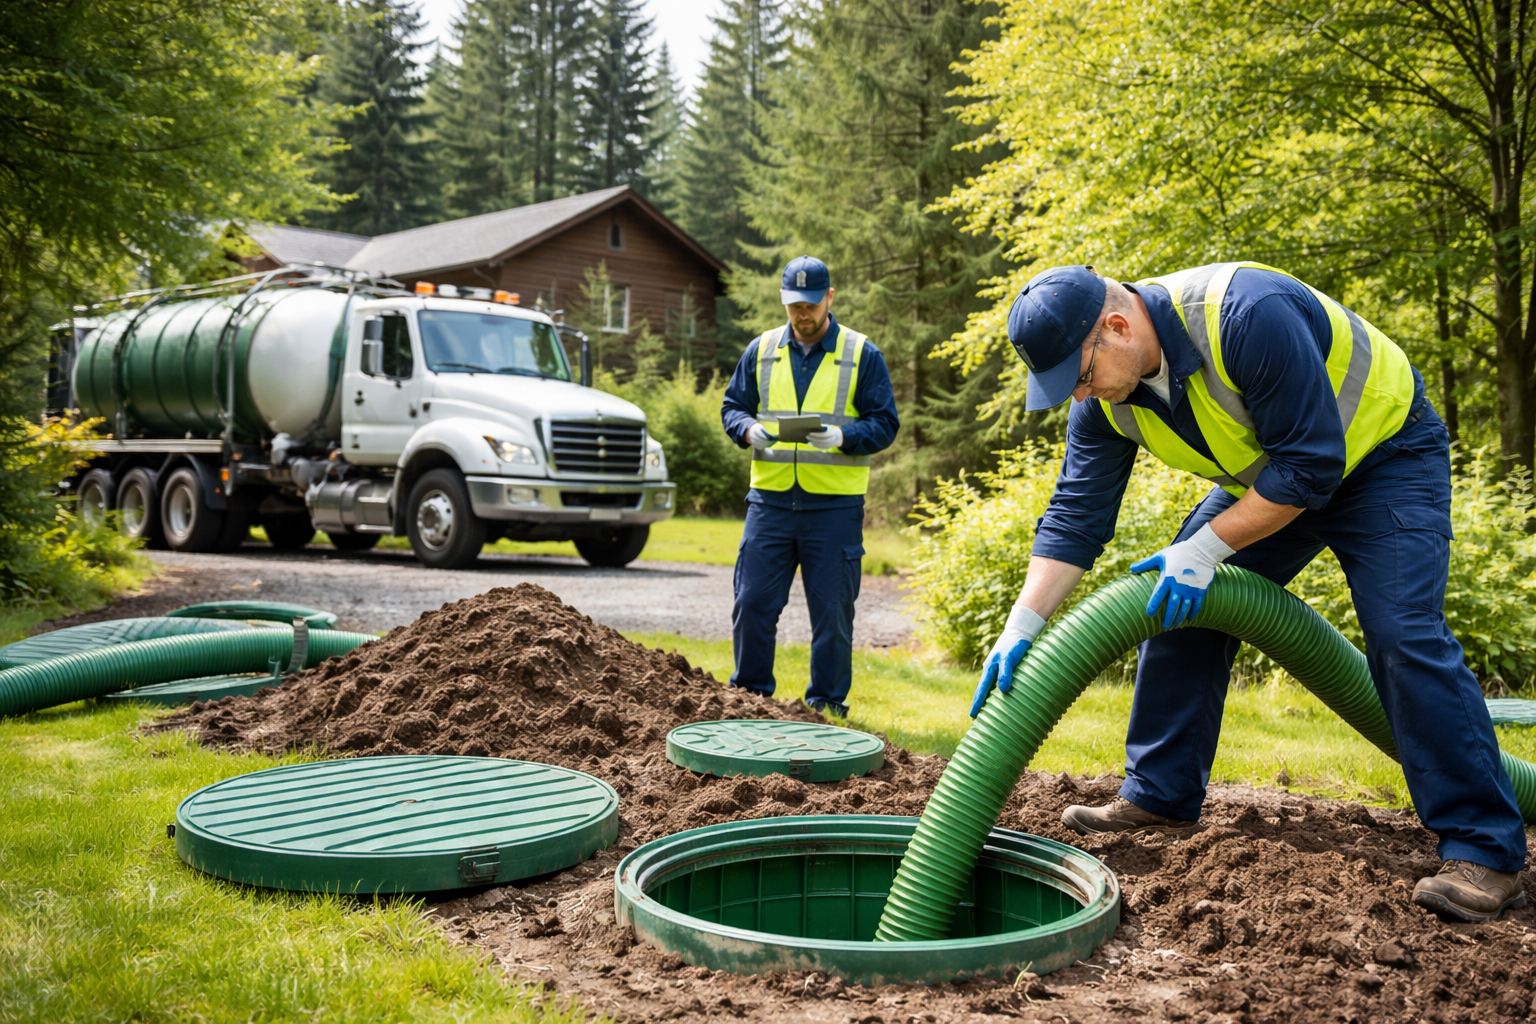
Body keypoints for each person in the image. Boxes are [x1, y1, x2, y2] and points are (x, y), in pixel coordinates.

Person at [972, 261, 1527, 923]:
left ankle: (1486, 849)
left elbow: (1314, 462)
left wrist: (1206, 548)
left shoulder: (1242, 314)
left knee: (1403, 632)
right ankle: (1160, 794)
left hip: (1385, 458)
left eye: (1081, 377)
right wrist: (1022, 626)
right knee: (1179, 605)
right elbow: (1075, 517)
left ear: (1116, 327)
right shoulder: (1107, 402)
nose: (1080, 397)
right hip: (1274, 478)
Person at [720, 256, 900, 716]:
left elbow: (885, 424)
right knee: (753, 602)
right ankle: (750, 699)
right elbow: (732, 406)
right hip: (770, 503)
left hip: (834, 510)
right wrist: (745, 429)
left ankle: (826, 707)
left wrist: (845, 437)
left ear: (830, 299)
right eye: (794, 305)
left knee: (833, 614)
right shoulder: (760, 351)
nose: (803, 314)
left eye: (811, 305)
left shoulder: (862, 354)